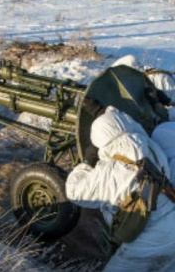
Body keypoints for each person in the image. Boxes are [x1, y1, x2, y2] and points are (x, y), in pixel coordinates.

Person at [66, 106, 175, 271]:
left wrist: (87, 162)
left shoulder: (112, 170)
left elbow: (74, 192)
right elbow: (120, 124)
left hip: (149, 240)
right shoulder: (151, 147)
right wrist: (110, 113)